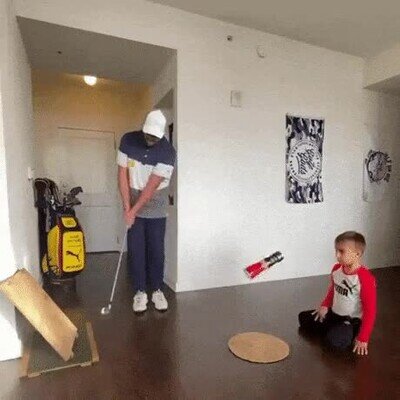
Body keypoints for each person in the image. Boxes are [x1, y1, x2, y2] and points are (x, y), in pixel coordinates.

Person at [117, 110, 176, 313]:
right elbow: (122, 175)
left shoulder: (168, 153)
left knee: (156, 250)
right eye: (148, 135)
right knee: (136, 250)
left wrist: (133, 210)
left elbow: (151, 188)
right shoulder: (128, 140)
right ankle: (140, 292)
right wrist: (127, 208)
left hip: (155, 204)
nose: (151, 140)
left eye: (155, 137)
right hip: (133, 200)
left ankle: (157, 290)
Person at [298, 231, 377, 356]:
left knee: (334, 342)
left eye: (341, 251)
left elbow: (370, 311)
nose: (337, 255)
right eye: (336, 251)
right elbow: (332, 290)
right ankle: (333, 328)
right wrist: (325, 305)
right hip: (334, 314)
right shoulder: (336, 269)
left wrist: (363, 338)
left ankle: (347, 331)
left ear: (357, 254)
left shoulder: (365, 278)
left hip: (350, 320)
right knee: (303, 318)